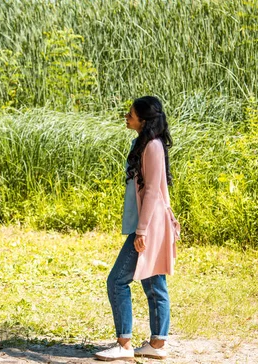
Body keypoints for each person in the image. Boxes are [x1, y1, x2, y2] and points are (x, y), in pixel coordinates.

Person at [95, 96, 180, 361]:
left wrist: (141, 231)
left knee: (117, 281)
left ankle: (124, 344)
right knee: (154, 281)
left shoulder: (152, 146)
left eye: (130, 113)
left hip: (150, 225)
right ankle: (157, 345)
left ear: (143, 119)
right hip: (148, 223)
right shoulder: (144, 143)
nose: (126, 117)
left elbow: (154, 190)